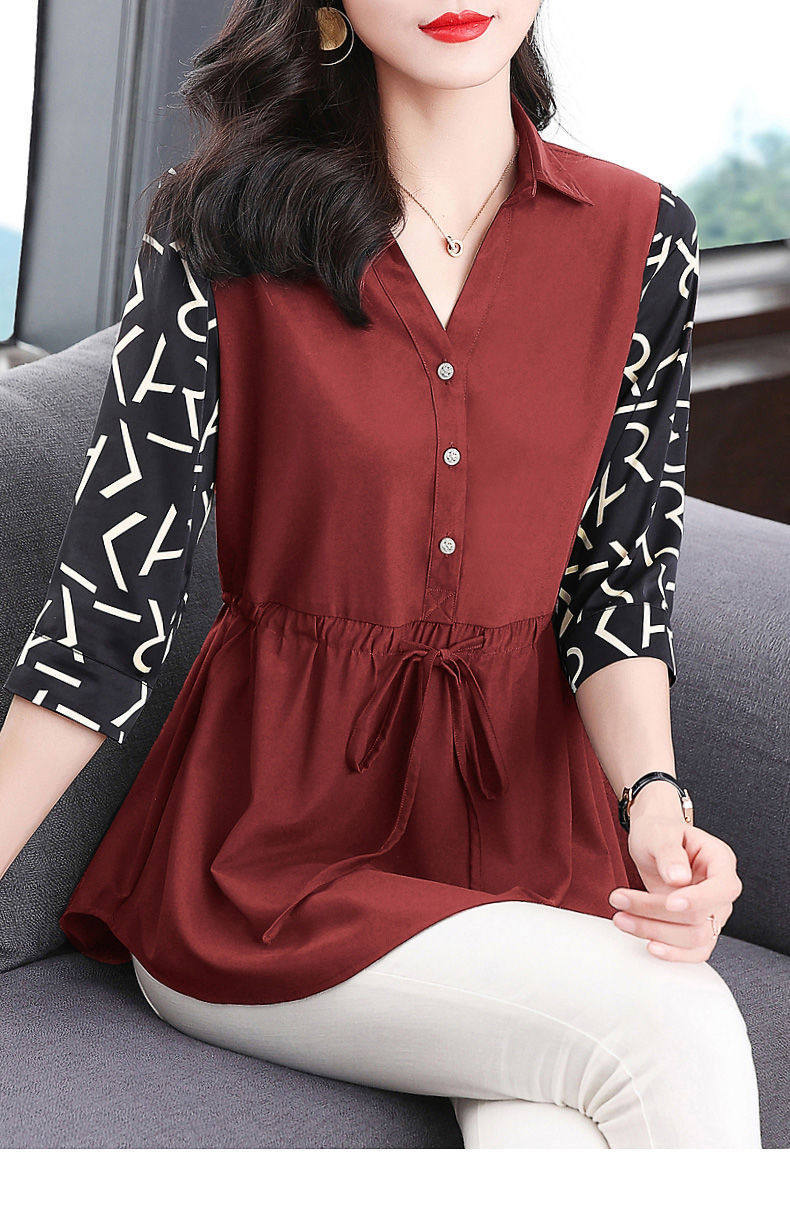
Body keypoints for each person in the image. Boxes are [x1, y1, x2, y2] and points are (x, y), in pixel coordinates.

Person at [0, 0, 762, 1148]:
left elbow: (617, 581)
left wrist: (656, 809)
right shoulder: (219, 229)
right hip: (270, 861)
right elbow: (107, 613)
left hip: (533, 845)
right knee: (671, 1023)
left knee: (561, 1135)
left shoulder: (643, 237)